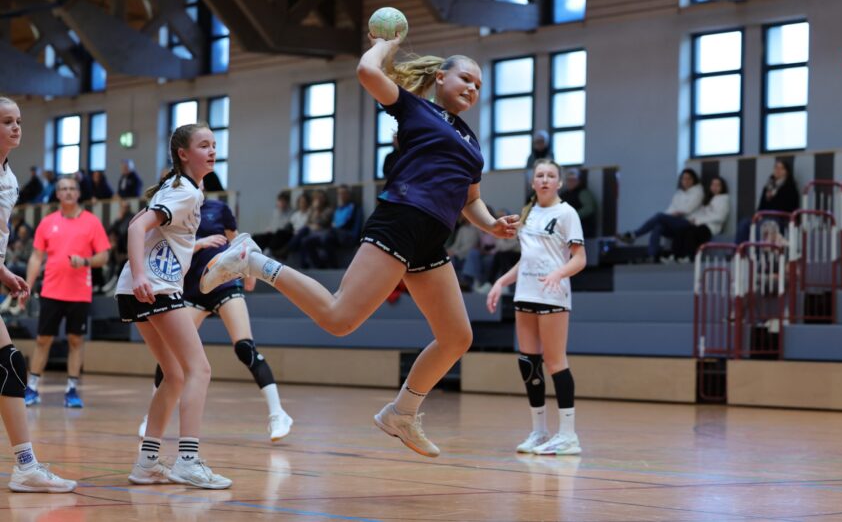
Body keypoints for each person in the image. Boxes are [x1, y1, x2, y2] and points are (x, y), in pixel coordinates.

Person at [199, 35, 518, 458]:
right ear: (440, 77)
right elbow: (367, 71)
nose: (473, 88)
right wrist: (385, 44)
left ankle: (402, 413)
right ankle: (253, 262)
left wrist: (491, 224)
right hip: (401, 219)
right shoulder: (415, 108)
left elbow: (470, 199)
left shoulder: (472, 142)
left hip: (431, 238)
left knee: (457, 337)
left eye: (478, 85)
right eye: (466, 78)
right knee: (339, 318)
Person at [115, 122, 231, 489]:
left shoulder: (182, 187)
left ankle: (147, 463)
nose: (212, 151)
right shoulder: (184, 191)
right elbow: (136, 228)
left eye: (214, 144)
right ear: (183, 154)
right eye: (203, 145)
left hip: (137, 288)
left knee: (175, 375)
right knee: (200, 370)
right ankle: (188, 460)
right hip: (154, 287)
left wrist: (197, 244)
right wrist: (140, 275)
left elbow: (158, 235)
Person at [138, 197, 293, 442]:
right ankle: (151, 416)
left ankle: (278, 414)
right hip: (192, 291)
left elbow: (237, 240)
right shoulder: (171, 211)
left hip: (224, 285)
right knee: (170, 354)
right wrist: (199, 244)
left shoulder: (218, 209)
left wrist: (250, 269)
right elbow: (165, 249)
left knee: (244, 348)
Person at [0, 96, 77, 492]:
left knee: (9, 364)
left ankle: (26, 466)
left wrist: (3, 271)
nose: (16, 127)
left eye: (18, 120)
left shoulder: (10, 179)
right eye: (6, 121)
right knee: (9, 363)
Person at [486, 159, 587, 455]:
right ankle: (539, 432)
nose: (544, 179)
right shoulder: (528, 213)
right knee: (528, 362)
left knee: (555, 362)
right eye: (540, 175)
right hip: (525, 294)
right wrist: (501, 282)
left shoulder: (567, 213)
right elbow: (527, 259)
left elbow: (580, 259)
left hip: (552, 295)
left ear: (559, 182)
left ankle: (568, 435)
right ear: (532, 182)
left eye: (550, 175)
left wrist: (558, 273)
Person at [23, 175, 110, 408]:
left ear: (78, 193)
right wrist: (27, 285)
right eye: (64, 189)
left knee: (75, 340)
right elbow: (36, 257)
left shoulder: (92, 222)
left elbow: (104, 256)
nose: (68, 192)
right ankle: (32, 388)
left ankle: (71, 390)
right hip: (51, 291)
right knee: (43, 339)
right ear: (58, 194)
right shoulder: (47, 222)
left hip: (79, 293)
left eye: (72, 188)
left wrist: (85, 261)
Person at [617, 169, 704, 262]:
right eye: (683, 179)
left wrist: (674, 214)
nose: (686, 181)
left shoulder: (698, 191)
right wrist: (670, 215)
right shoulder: (678, 194)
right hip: (675, 222)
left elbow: (688, 209)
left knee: (659, 216)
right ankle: (652, 255)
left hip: (688, 223)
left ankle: (634, 234)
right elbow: (670, 210)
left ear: (694, 180)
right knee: (658, 226)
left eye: (689, 178)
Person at [734, 161, 799, 244]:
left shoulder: (791, 188)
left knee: (762, 225)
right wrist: (758, 215)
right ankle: (738, 250)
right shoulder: (768, 187)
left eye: (781, 168)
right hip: (764, 217)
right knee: (744, 223)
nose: (777, 170)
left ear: (786, 172)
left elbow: (788, 207)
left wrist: (773, 197)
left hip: (780, 218)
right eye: (776, 168)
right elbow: (761, 206)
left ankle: (758, 251)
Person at [301, 185, 361, 268]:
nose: (341, 196)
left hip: (344, 235)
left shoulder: (354, 207)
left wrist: (357, 241)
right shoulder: (337, 209)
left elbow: (355, 226)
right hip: (332, 233)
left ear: (348, 195)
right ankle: (319, 266)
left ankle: (333, 266)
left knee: (326, 238)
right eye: (339, 194)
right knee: (306, 241)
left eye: (344, 193)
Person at [677, 177, 731, 261]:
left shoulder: (724, 199)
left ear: (722, 187)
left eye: (718, 185)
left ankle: (690, 256)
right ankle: (677, 256)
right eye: (713, 185)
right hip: (700, 224)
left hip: (710, 228)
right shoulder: (708, 199)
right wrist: (694, 219)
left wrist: (699, 220)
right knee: (683, 229)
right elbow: (701, 214)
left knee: (692, 233)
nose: (715, 187)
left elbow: (720, 217)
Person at [252, 191, 294, 256]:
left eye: (283, 202)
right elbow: (272, 224)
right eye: (280, 201)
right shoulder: (276, 211)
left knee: (279, 233)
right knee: (256, 237)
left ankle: (268, 251)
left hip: (283, 235)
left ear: (287, 202)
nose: (281, 203)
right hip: (273, 233)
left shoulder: (291, 213)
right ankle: (256, 253)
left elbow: (286, 227)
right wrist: (268, 230)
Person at [560, 168, 598, 237]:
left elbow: (589, 208)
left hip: (581, 229)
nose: (571, 182)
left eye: (573, 180)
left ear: (579, 181)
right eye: (569, 180)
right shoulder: (564, 194)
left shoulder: (583, 193)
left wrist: (572, 216)